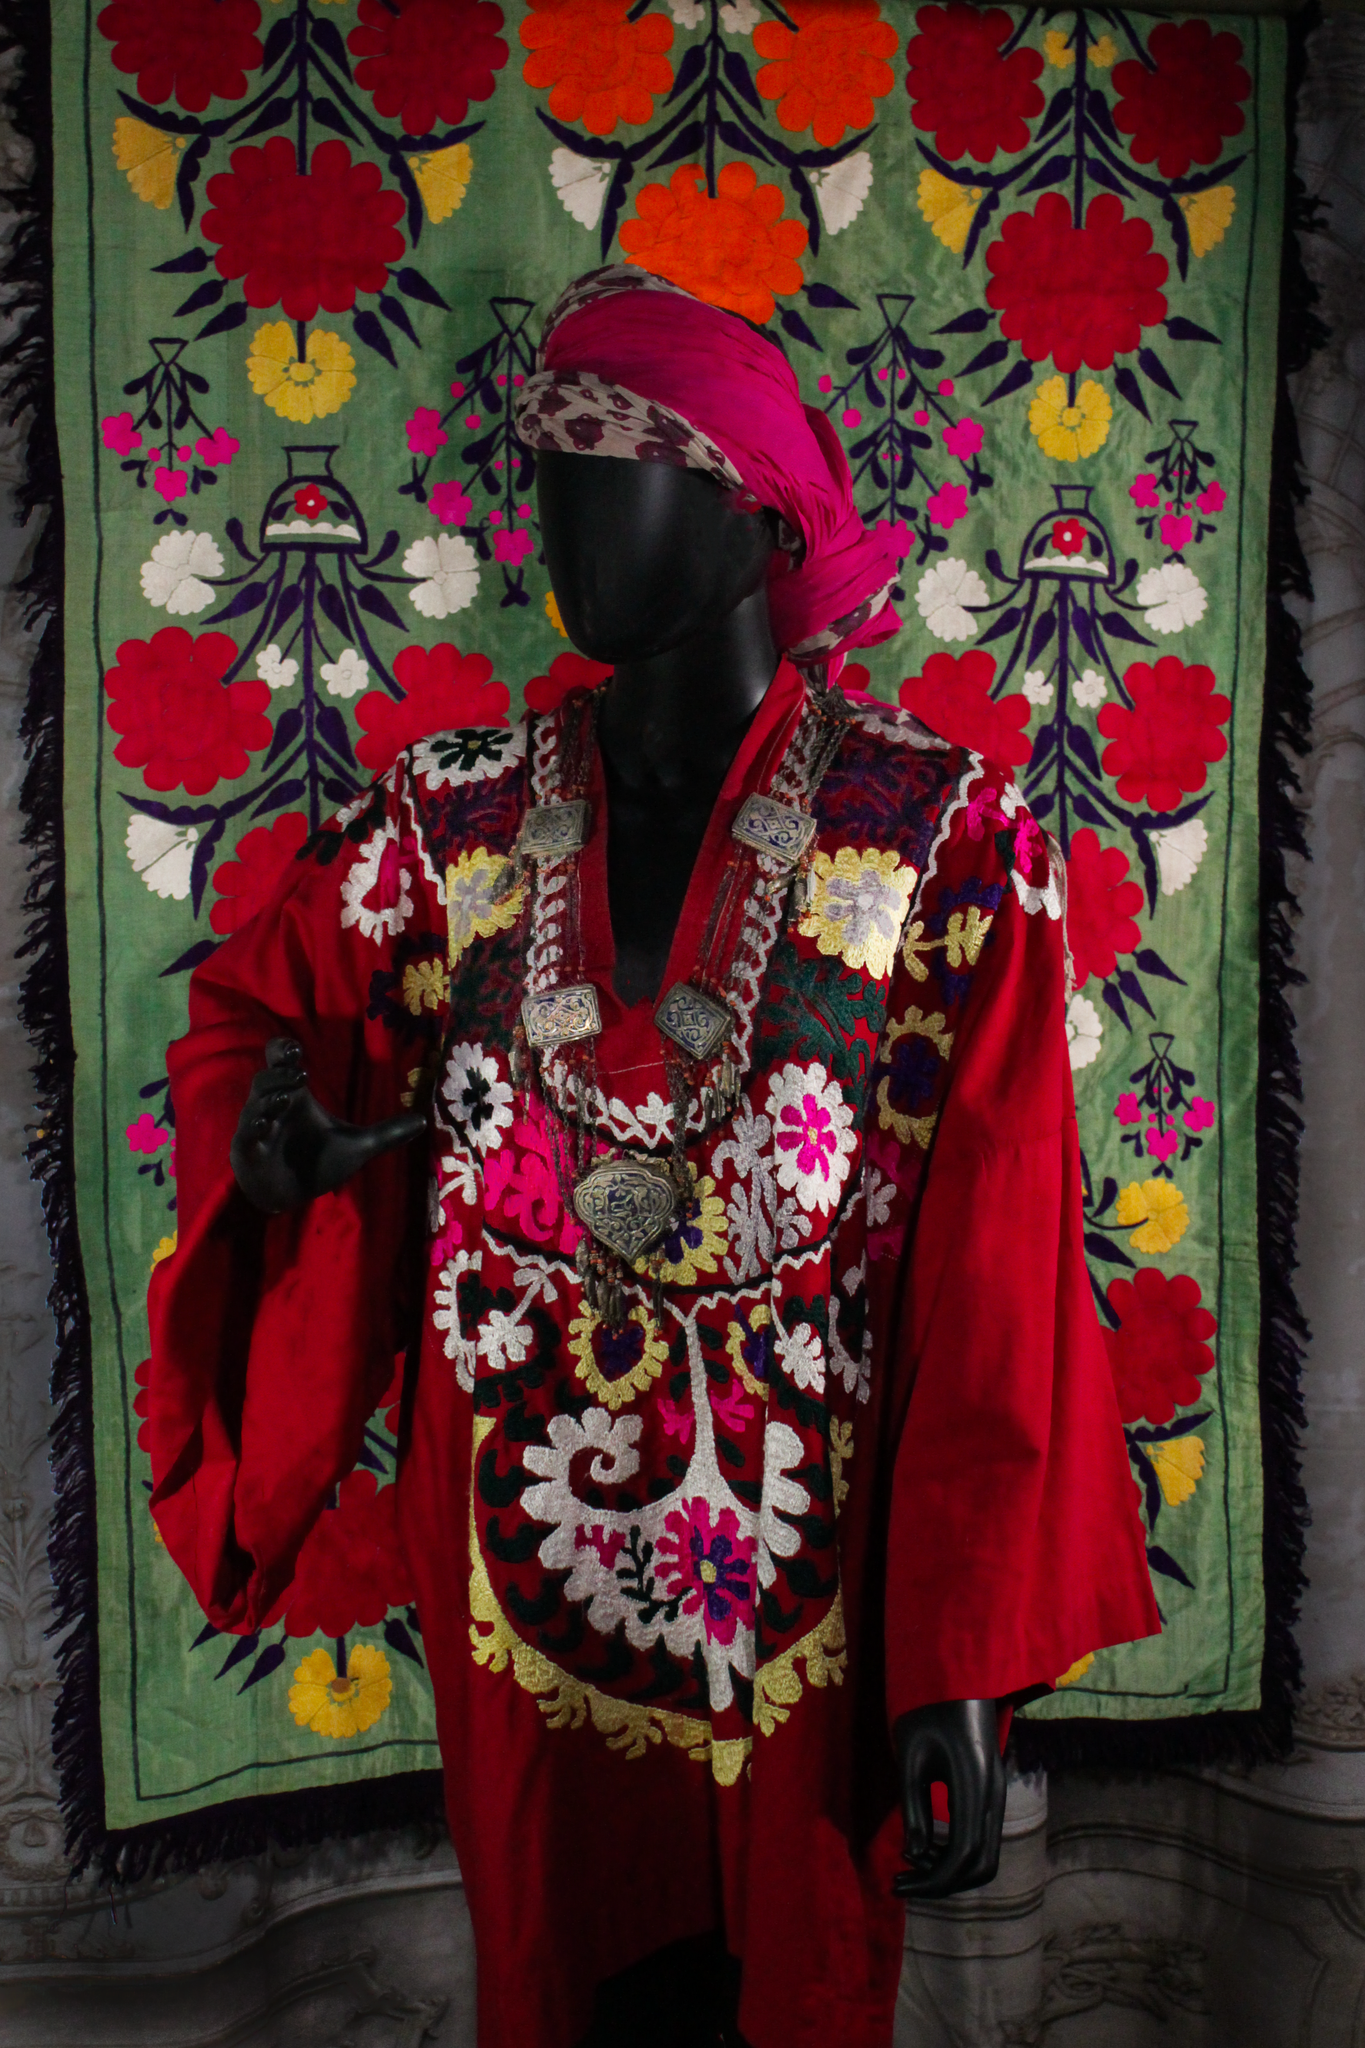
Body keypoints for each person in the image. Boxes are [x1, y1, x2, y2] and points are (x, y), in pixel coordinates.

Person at [147, 266, 1158, 2048]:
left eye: (605, 465)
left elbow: (998, 1263)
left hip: (810, 1594)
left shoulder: (944, 839)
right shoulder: (444, 821)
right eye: (542, 470)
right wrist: (271, 1151)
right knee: (561, 1972)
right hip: (522, 1576)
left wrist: (959, 1667)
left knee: (795, 1977)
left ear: (750, 502)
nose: (559, 516)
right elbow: (255, 1023)